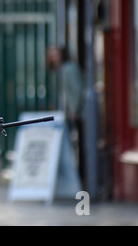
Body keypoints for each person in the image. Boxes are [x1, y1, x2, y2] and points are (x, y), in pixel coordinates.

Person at [47, 45, 84, 182]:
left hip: (75, 115)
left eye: (55, 54)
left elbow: (77, 91)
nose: (53, 58)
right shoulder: (58, 71)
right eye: (51, 55)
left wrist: (74, 110)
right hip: (65, 115)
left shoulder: (68, 69)